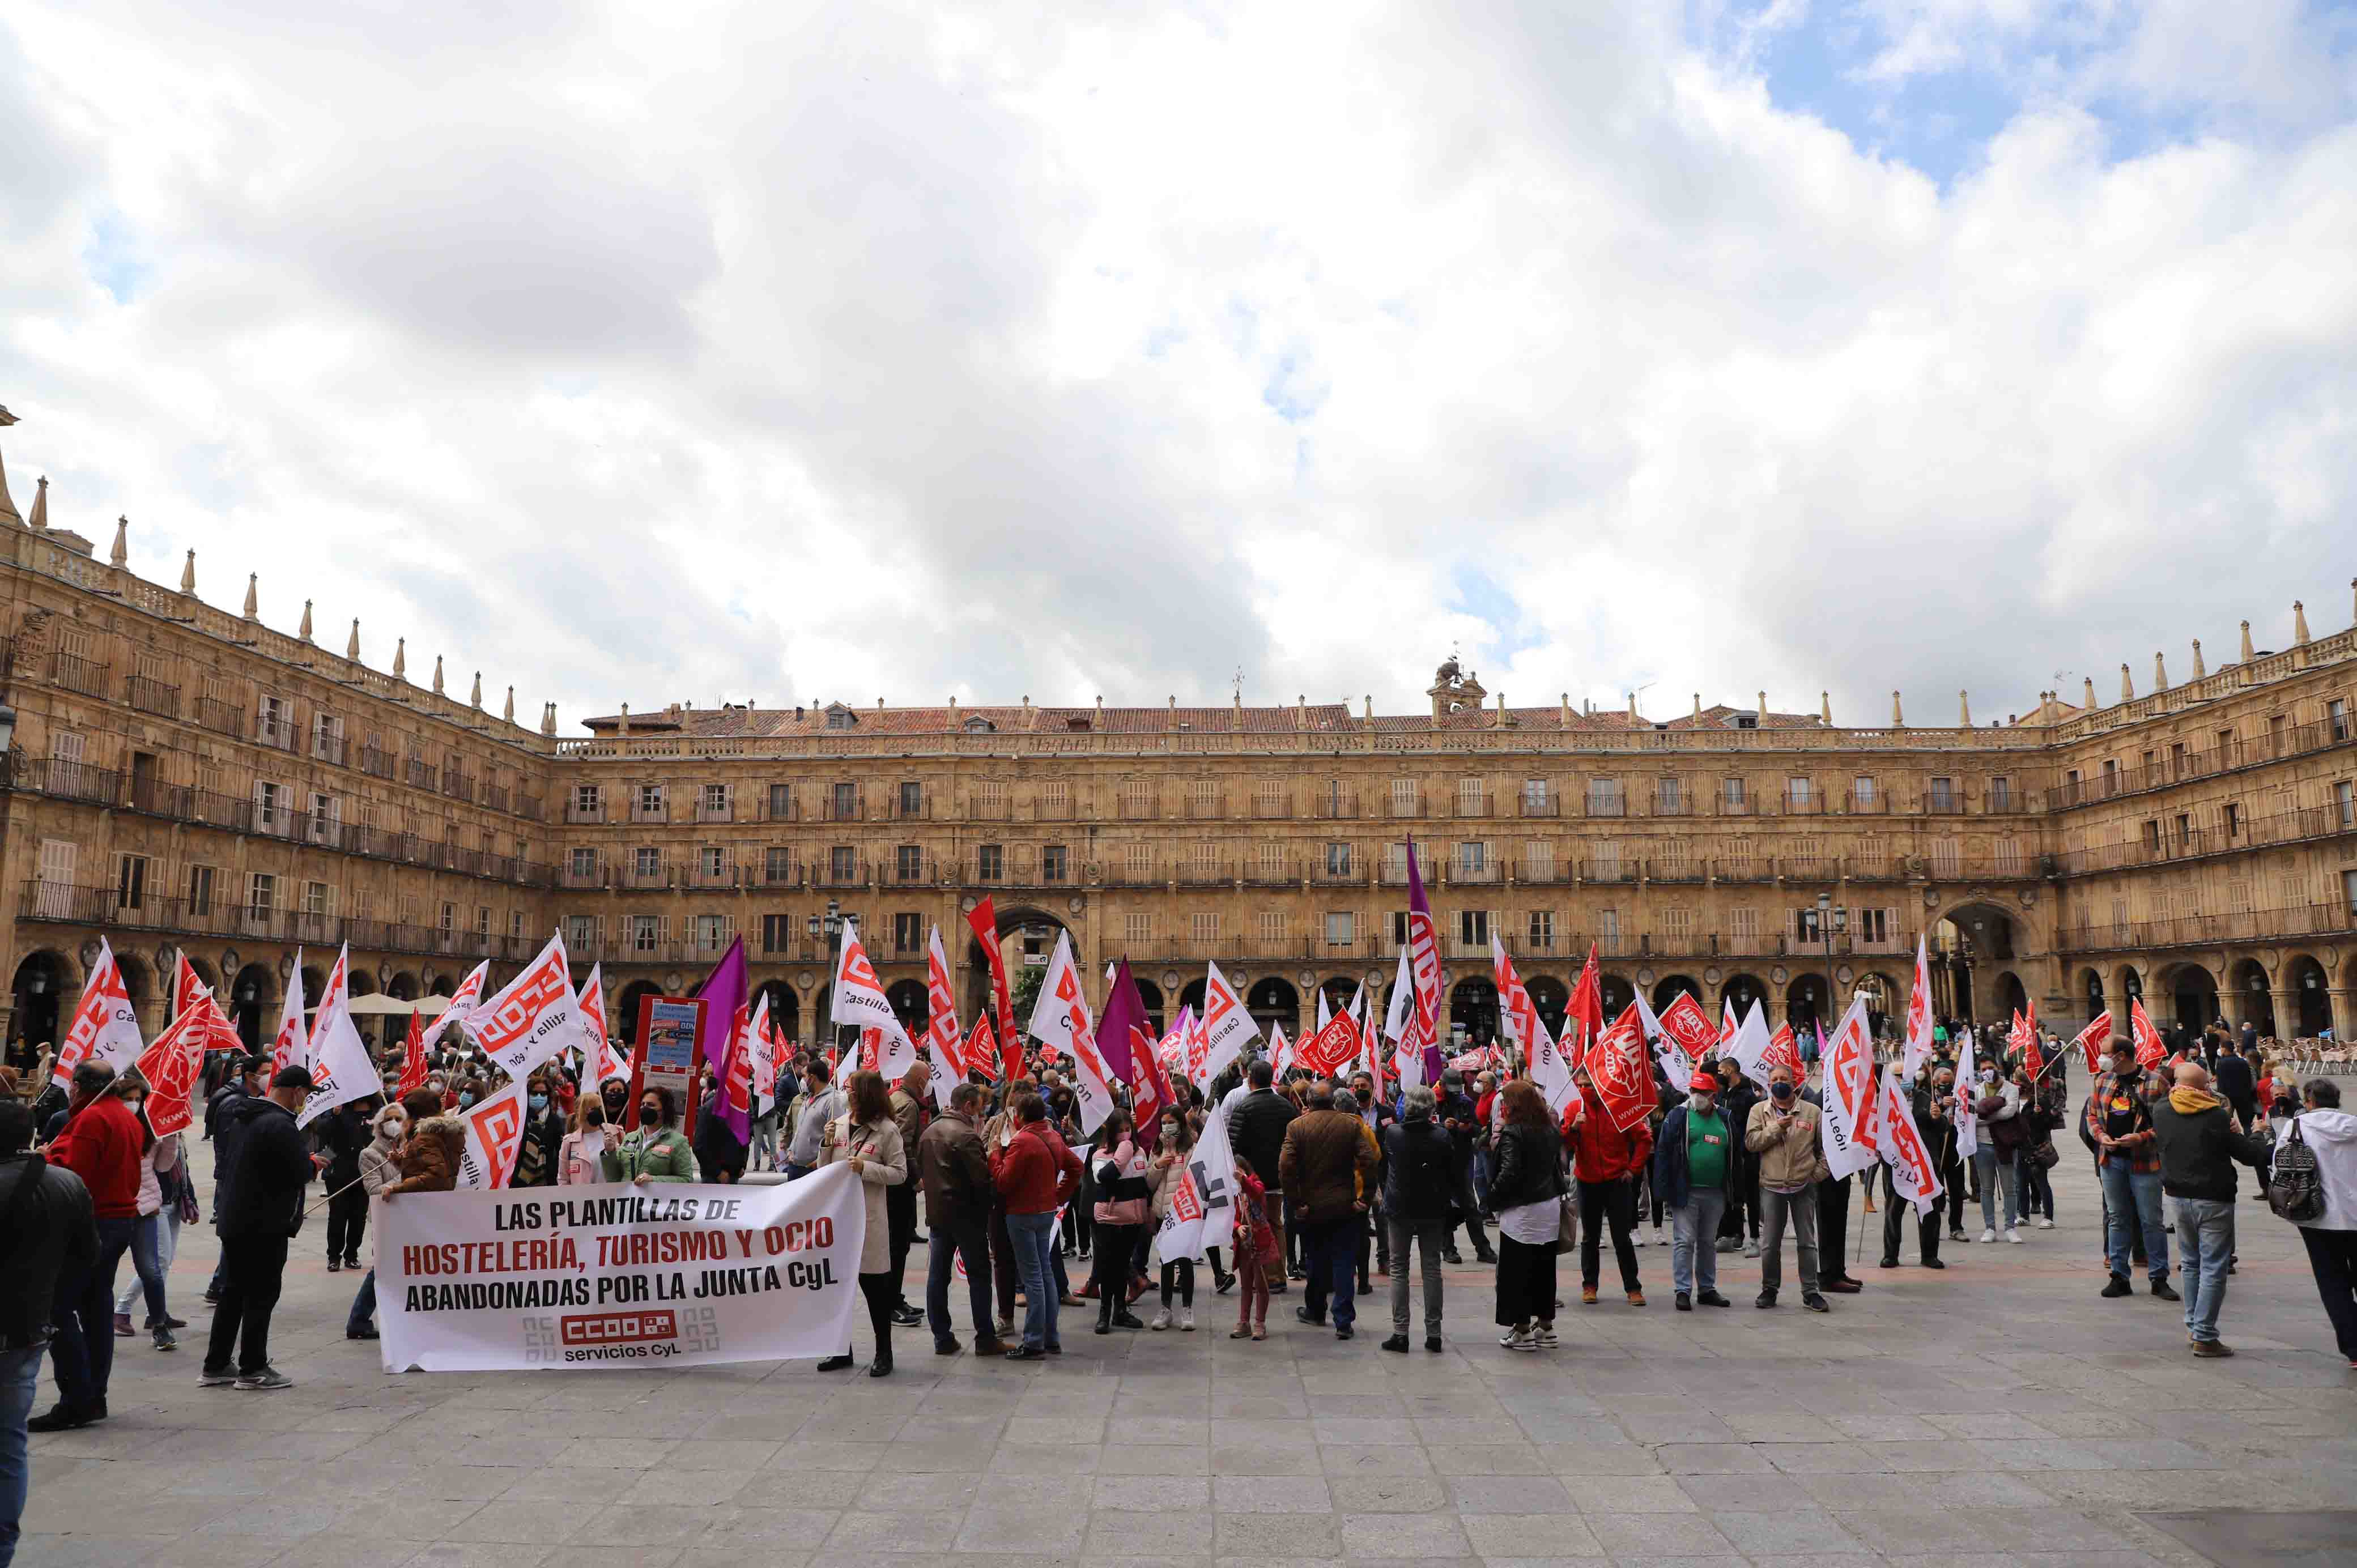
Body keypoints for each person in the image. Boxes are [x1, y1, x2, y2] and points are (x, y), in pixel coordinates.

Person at [1, 1097, 97, 1566]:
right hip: (28, 1329)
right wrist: (52, 1301)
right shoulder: (66, 1183)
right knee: (9, 1443)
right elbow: (87, 1254)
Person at [31, 1061, 143, 1430]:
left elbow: (71, 1175)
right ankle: (95, 1395)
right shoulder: (123, 1116)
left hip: (94, 1223)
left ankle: (77, 1398)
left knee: (58, 1309)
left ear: (79, 1087)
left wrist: (44, 1157)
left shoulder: (94, 1118)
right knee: (96, 1309)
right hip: (118, 1221)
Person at [202, 1066, 321, 1393]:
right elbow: (296, 1173)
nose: (305, 1101)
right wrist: (310, 1164)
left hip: (236, 1218)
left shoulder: (247, 1115)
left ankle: (216, 1364)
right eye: (306, 1094)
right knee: (261, 1295)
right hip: (264, 1223)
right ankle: (253, 1367)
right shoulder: (281, 1124)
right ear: (296, 1091)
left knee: (233, 1292)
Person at [2150, 1060, 2273, 1357]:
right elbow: (2251, 1156)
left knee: (2191, 1263)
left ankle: (2194, 1325)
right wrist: (2256, 1132)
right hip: (2213, 1198)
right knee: (2214, 1266)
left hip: (2177, 1197)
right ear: (2203, 1088)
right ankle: (2205, 1335)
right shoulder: (2215, 1115)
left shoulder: (2161, 1110)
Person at [816, 1069, 908, 1378]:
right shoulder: (840, 1125)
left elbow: (899, 1174)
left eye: (851, 1088)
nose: (847, 1092)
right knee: (837, 1291)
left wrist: (865, 1168)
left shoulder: (887, 1131)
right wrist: (826, 1143)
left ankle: (884, 1353)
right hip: (839, 1221)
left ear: (865, 1093)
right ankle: (841, 1350)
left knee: (876, 1292)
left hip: (869, 1220)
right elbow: (823, 1170)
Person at [1281, 1084, 1379, 1340]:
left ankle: (1316, 1309)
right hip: (1343, 1205)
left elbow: (1286, 1166)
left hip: (1312, 1207)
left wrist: (1295, 1202)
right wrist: (1365, 1198)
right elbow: (1369, 1160)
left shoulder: (1297, 1126)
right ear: (1332, 1102)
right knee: (1344, 1262)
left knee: (1315, 1260)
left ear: (1310, 1101)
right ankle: (1343, 1320)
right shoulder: (1351, 1125)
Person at [990, 1090, 1081, 1361]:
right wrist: (1058, 1196)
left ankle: (1033, 1342)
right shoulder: (1053, 1136)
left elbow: (1003, 1180)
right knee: (1045, 1274)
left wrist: (995, 1154)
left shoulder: (1023, 1141)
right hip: (1045, 1211)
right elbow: (1076, 1167)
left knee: (1033, 1278)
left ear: (1019, 1116)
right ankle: (1050, 1337)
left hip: (1023, 1213)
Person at [917, 1082, 1002, 1357]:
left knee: (938, 1277)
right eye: (979, 1107)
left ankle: (942, 1337)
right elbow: (981, 1181)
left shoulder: (929, 1132)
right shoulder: (966, 1136)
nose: (981, 1112)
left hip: (938, 1216)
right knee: (978, 1277)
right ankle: (985, 1338)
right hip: (967, 1217)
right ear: (968, 1106)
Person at [2086, 1042, 2176, 1301]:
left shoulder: (2156, 1082)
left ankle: (2159, 1278)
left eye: (2105, 1052)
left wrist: (2142, 1138)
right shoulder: (2102, 1080)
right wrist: (2101, 1136)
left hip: (2144, 1161)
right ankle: (2119, 1276)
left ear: (2121, 1056)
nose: (2102, 1057)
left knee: (2151, 1220)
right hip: (2111, 1160)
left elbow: (2169, 1123)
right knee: (2117, 1218)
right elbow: (2092, 1115)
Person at [2281, 1079, 2357, 1367]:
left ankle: (2354, 1348)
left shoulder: (2296, 1127)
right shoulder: (2354, 1125)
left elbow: (2281, 1165)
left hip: (2317, 1215)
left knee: (2332, 1281)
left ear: (2309, 1101)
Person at [1490, 1081, 1568, 1350]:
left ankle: (1522, 1330)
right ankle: (1546, 1326)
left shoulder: (1513, 1132)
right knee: (1544, 1268)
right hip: (1548, 1207)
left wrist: (1490, 1199)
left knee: (1516, 1271)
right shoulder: (1549, 1130)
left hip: (1521, 1210)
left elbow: (1509, 1172)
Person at [1745, 1064, 1828, 1313]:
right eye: (1774, 1079)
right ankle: (1770, 1289)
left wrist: (1816, 1175)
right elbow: (1751, 1143)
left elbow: (1826, 1150)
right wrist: (1776, 1128)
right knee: (1770, 1244)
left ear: (1794, 1082)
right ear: (1768, 1084)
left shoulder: (1812, 1112)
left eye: (1784, 1078)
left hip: (1803, 1186)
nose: (1779, 1082)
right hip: (1772, 1187)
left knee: (1807, 1242)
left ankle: (1811, 1291)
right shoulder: (1759, 1110)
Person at [1566, 1067, 1651, 1307]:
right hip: (1587, 1181)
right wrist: (1573, 1127)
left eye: (1589, 1085)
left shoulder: (1619, 1108)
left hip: (1616, 1182)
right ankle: (1589, 1285)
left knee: (1622, 1238)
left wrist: (1633, 1170)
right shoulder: (1574, 1109)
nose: (1585, 1090)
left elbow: (1644, 1140)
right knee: (1590, 1238)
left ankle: (1633, 1287)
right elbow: (1565, 1144)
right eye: (1581, 1085)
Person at [1379, 1085, 1453, 1352]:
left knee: (1399, 1268)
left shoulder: (1393, 1133)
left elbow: (1385, 1166)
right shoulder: (1442, 1136)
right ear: (1431, 1108)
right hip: (1432, 1208)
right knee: (1432, 1268)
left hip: (1400, 1207)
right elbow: (1450, 1172)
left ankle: (1401, 1333)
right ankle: (1434, 1334)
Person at [1654, 1071, 1736, 1309]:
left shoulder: (1725, 1117)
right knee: (1684, 1241)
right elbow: (1663, 1152)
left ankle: (1707, 1289)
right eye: (1693, 1092)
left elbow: (1734, 1153)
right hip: (1686, 1191)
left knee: (1708, 1242)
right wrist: (1663, 1191)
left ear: (1713, 1096)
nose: (1696, 1096)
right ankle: (1683, 1290)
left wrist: (1735, 1190)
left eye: (1702, 1093)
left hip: (1716, 1191)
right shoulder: (1679, 1116)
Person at [1227, 1060, 1300, 1290]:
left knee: (1255, 1225)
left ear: (1250, 1079)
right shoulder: (1287, 1107)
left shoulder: (1244, 1108)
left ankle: (1259, 1275)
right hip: (1278, 1178)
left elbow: (1233, 1145)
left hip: (1252, 1182)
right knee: (1275, 1224)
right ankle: (1278, 1275)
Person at [345, 1100, 412, 1341]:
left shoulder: (410, 1149)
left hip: (411, 1217)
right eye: (388, 1120)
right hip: (387, 1219)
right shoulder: (370, 1154)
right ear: (379, 1125)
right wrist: (409, 1178)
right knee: (382, 1270)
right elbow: (374, 1190)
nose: (394, 1124)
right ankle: (358, 1320)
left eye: (398, 1119)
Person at [1088, 1110, 1152, 1335]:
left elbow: (1144, 1181)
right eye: (1121, 1131)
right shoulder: (1100, 1155)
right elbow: (1104, 1177)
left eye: (1128, 1130)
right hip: (1109, 1217)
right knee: (1108, 1266)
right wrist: (1123, 1152)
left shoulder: (1141, 1152)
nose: (1125, 1135)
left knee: (1124, 1264)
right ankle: (1104, 1312)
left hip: (1133, 1217)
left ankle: (1120, 1310)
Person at [1435, 1070, 1497, 1265]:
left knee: (1470, 1206)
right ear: (1442, 1085)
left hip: (1462, 1160)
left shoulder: (1466, 1102)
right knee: (1445, 1207)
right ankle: (1448, 1249)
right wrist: (1443, 1127)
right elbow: (1424, 1127)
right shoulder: (1433, 1101)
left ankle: (1483, 1248)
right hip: (1441, 1161)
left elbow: (1478, 1128)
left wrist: (1466, 1128)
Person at [884, 1062, 930, 1327]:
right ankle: (891, 1303)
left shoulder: (896, 1098)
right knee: (898, 1246)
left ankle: (895, 1298)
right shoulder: (909, 1105)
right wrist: (916, 1178)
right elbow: (901, 1147)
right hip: (899, 1186)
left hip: (895, 1184)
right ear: (920, 1081)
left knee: (898, 1244)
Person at [1146, 1109, 1198, 1331]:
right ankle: (1165, 1309)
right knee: (1166, 1261)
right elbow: (1148, 1182)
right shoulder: (1157, 1149)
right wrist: (1159, 1166)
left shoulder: (1191, 1149)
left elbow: (1195, 1179)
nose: (1167, 1126)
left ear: (1180, 1124)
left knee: (1185, 1262)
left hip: (1183, 1213)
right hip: (1161, 1212)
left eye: (1172, 1122)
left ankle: (1187, 1308)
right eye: (1164, 1122)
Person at [1228, 1152, 1280, 1341]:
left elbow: (1257, 1193)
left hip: (1260, 1244)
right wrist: (1237, 1227)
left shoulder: (1255, 1185)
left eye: (1238, 1173)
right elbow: (1229, 1218)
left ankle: (1260, 1323)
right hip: (1243, 1246)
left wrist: (1243, 1181)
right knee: (1246, 1285)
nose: (1235, 1177)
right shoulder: (1233, 1195)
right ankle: (1244, 1321)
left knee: (1261, 1284)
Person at [1969, 1063, 2023, 1243]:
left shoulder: (2011, 1089)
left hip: (2005, 1144)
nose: (1987, 1072)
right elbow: (1971, 1117)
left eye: (1990, 1067)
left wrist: (1985, 1118)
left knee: (2010, 1188)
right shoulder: (1976, 1090)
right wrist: (1986, 1119)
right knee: (1986, 1189)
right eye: (1983, 1069)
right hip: (1982, 1144)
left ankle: (2010, 1227)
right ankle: (1990, 1228)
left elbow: (2010, 1112)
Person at [605, 1087, 699, 1183]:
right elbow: (614, 1178)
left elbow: (686, 1179)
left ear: (663, 1111)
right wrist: (610, 1153)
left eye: (651, 1105)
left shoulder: (678, 1141)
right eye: (643, 1104)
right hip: (628, 1197)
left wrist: (654, 1180)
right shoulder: (630, 1137)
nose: (645, 1108)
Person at [782, 1059, 843, 1180]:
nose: (802, 1081)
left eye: (804, 1076)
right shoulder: (807, 1099)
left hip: (813, 1169)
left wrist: (820, 1161)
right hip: (795, 1166)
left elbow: (838, 1134)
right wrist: (790, 1150)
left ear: (813, 1078)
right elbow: (799, 1128)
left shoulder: (832, 1100)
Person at [510, 1076, 567, 1189]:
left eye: (543, 1093)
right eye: (535, 1093)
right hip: (518, 1177)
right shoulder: (518, 1117)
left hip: (547, 1178)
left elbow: (560, 1149)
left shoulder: (555, 1120)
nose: (539, 1097)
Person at [558, 1093, 610, 1186]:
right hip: (582, 1199)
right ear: (579, 1112)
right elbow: (563, 1179)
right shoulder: (569, 1142)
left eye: (599, 1108)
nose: (597, 1111)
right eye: (591, 1108)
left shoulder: (616, 1134)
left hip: (610, 1198)